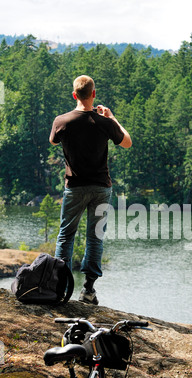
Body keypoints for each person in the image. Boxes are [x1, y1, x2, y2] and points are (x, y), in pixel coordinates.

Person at [49, 75, 132, 304]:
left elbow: (53, 141)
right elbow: (127, 142)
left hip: (74, 187)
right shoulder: (104, 122)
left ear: (74, 95)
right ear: (93, 94)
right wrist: (112, 118)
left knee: (66, 236)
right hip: (100, 188)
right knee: (95, 238)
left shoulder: (62, 121)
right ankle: (88, 290)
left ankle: (59, 288)